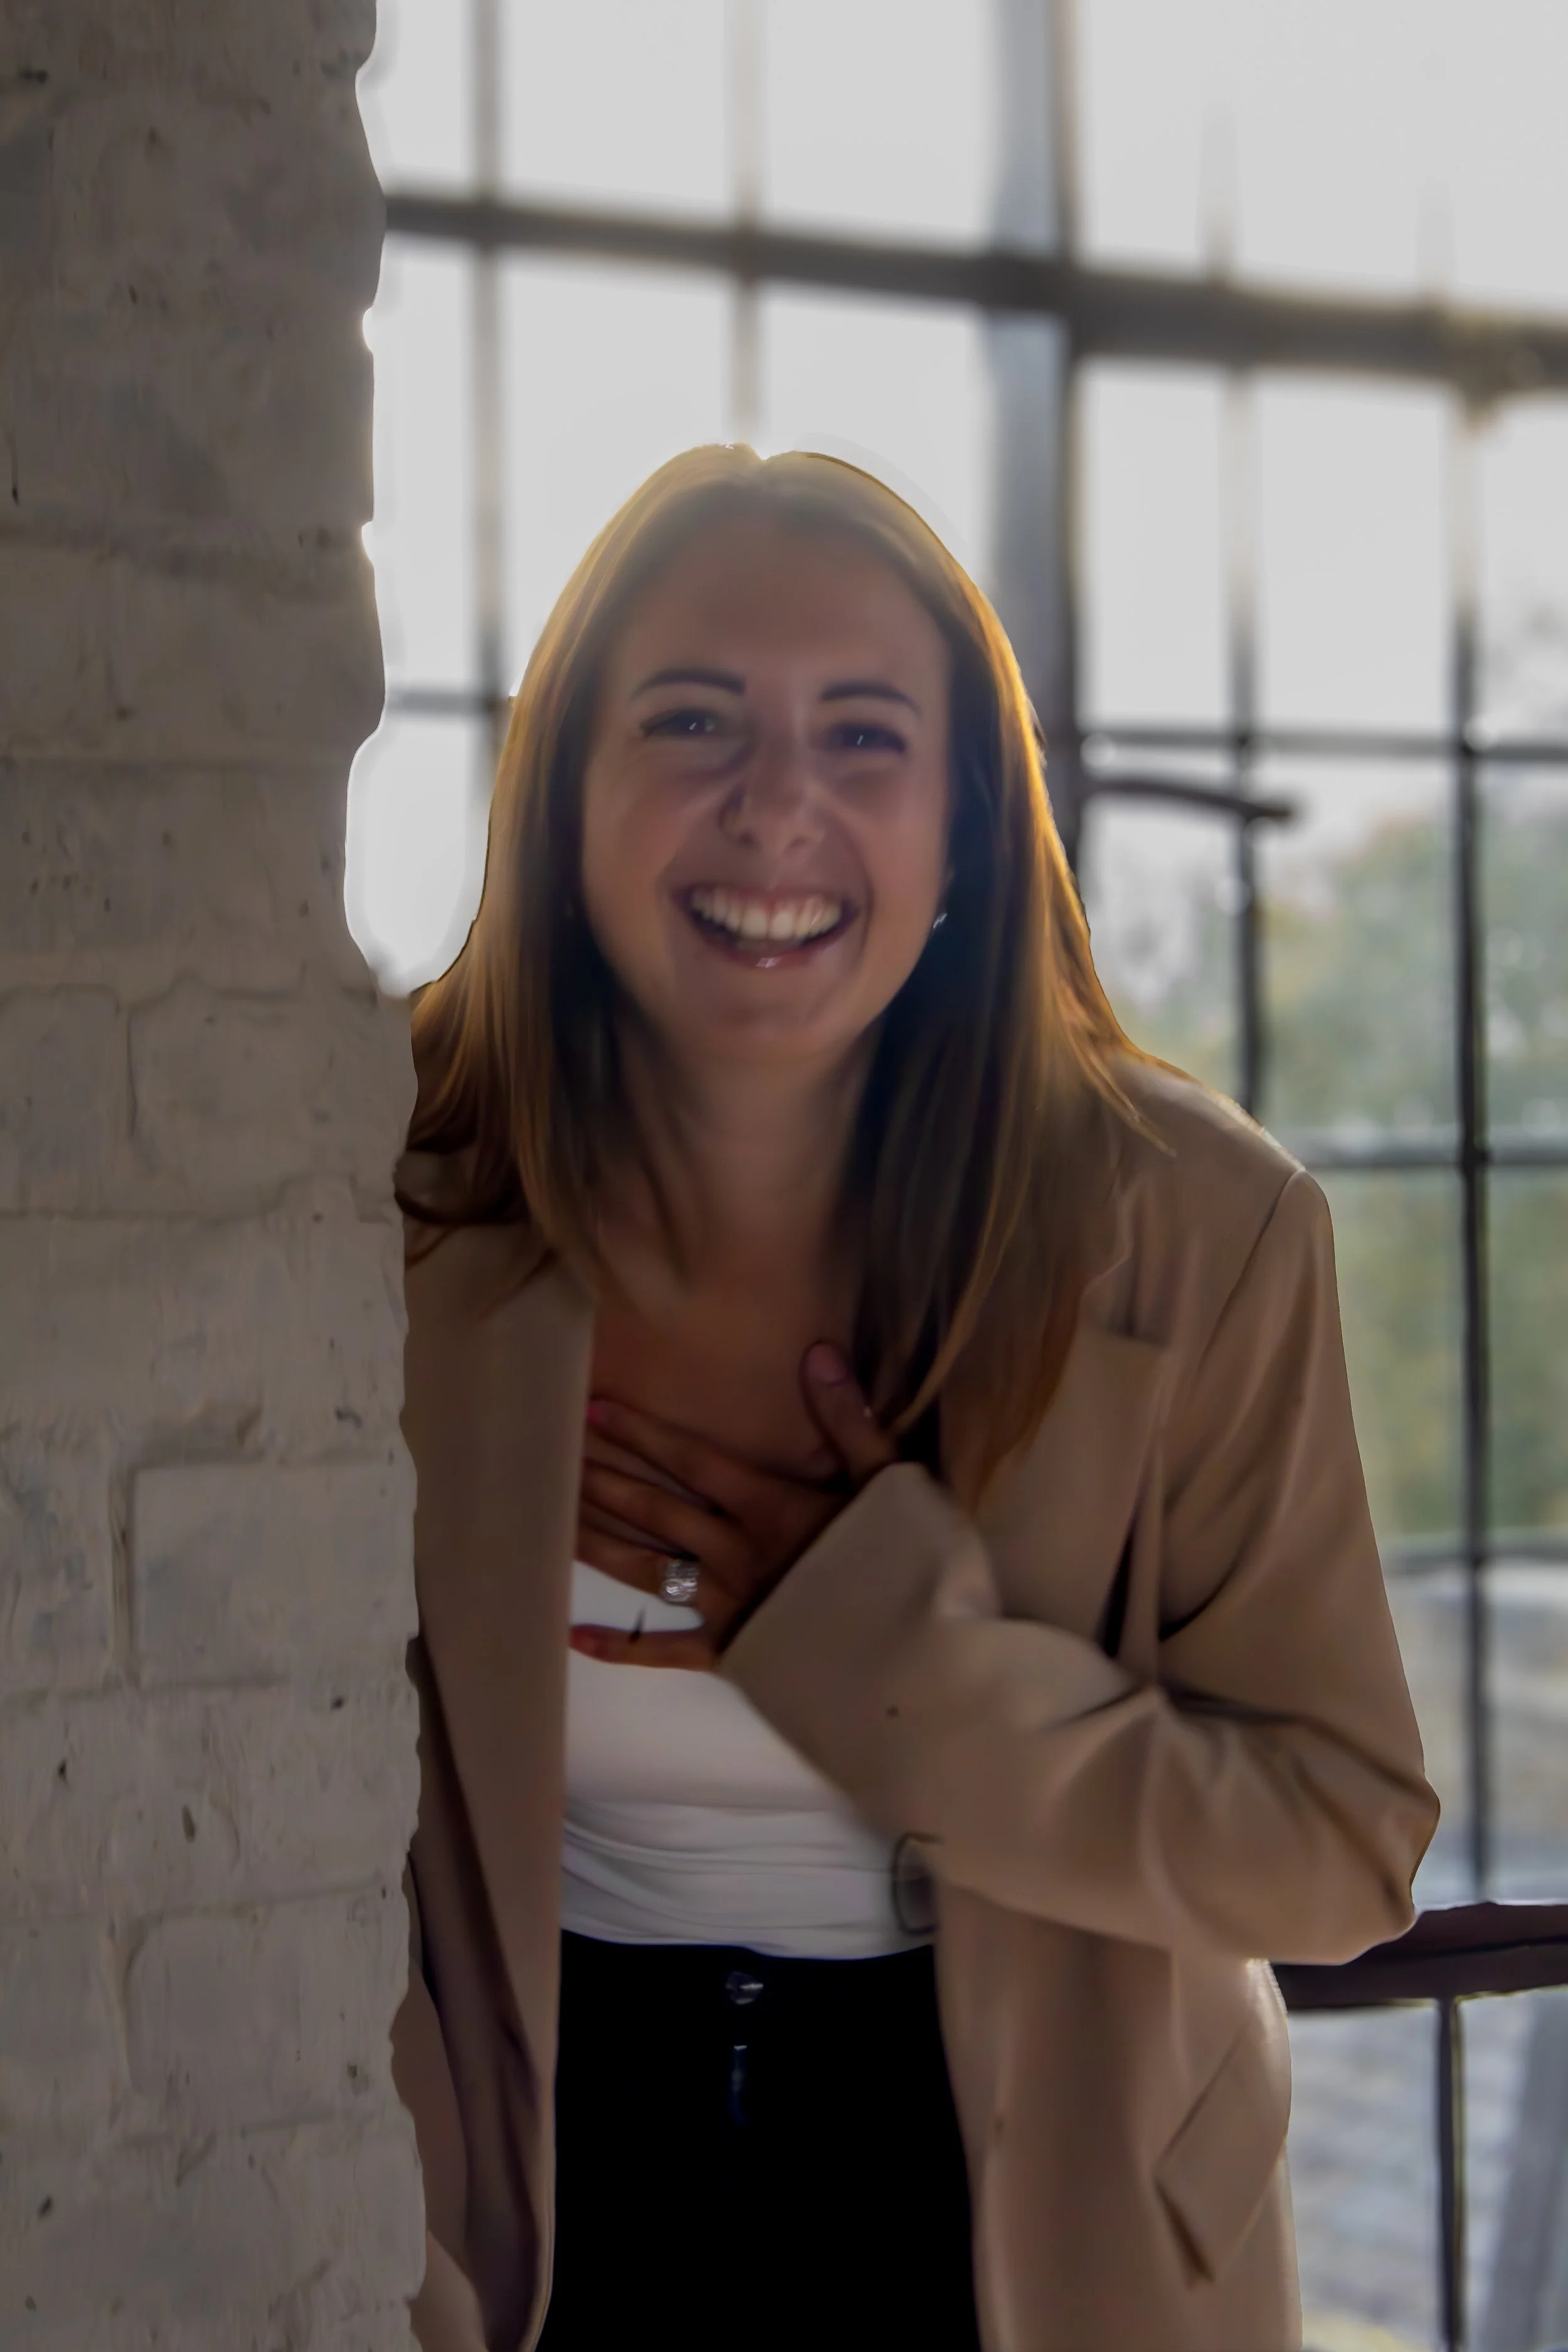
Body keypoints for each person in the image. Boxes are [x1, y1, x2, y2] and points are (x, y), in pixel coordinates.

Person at [390, 443, 1438, 2352]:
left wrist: (891, 1658)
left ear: (963, 823)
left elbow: (1336, 1844)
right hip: (517, 2177)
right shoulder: (374, 1194)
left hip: (1036, 2218)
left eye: (860, 735)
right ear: (563, 800)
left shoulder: (1197, 1229)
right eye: (691, 716)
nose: (772, 803)